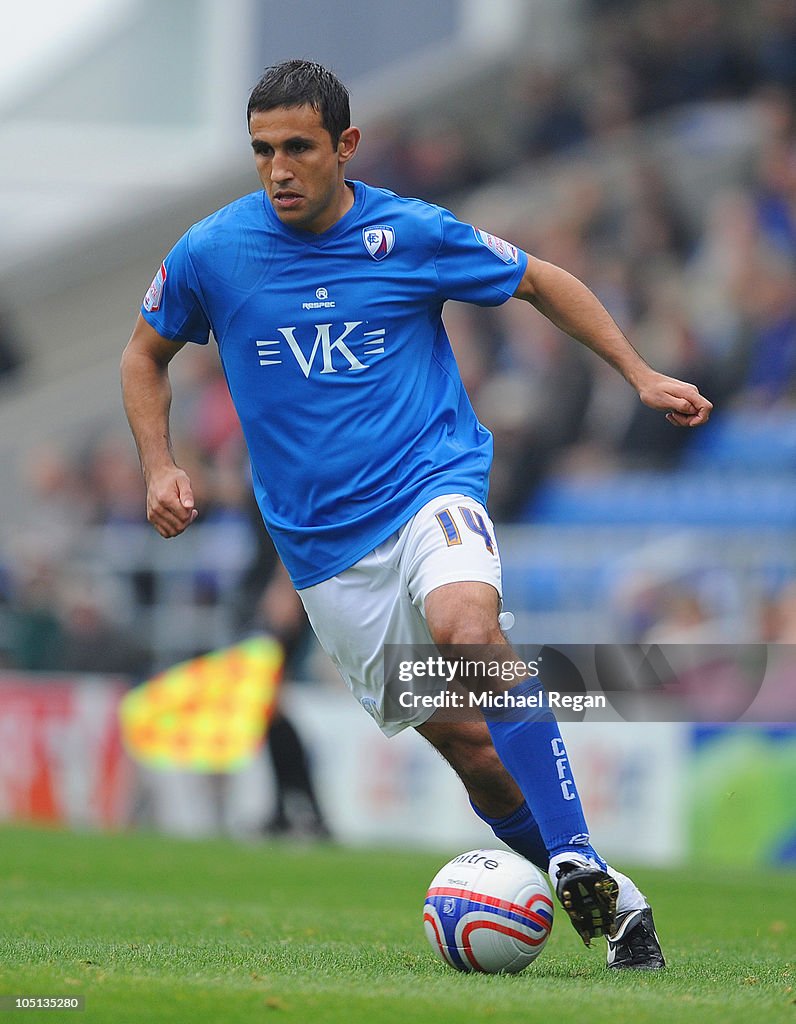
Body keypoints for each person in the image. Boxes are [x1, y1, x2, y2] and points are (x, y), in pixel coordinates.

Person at [121, 59, 713, 969]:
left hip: (430, 485)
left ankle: (577, 852)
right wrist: (159, 465)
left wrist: (640, 375)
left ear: (345, 147)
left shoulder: (412, 231)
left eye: (300, 149)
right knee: (474, 752)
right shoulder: (213, 251)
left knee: (469, 631)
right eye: (263, 151)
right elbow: (142, 354)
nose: (279, 169)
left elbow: (542, 279)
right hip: (322, 554)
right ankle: (617, 906)